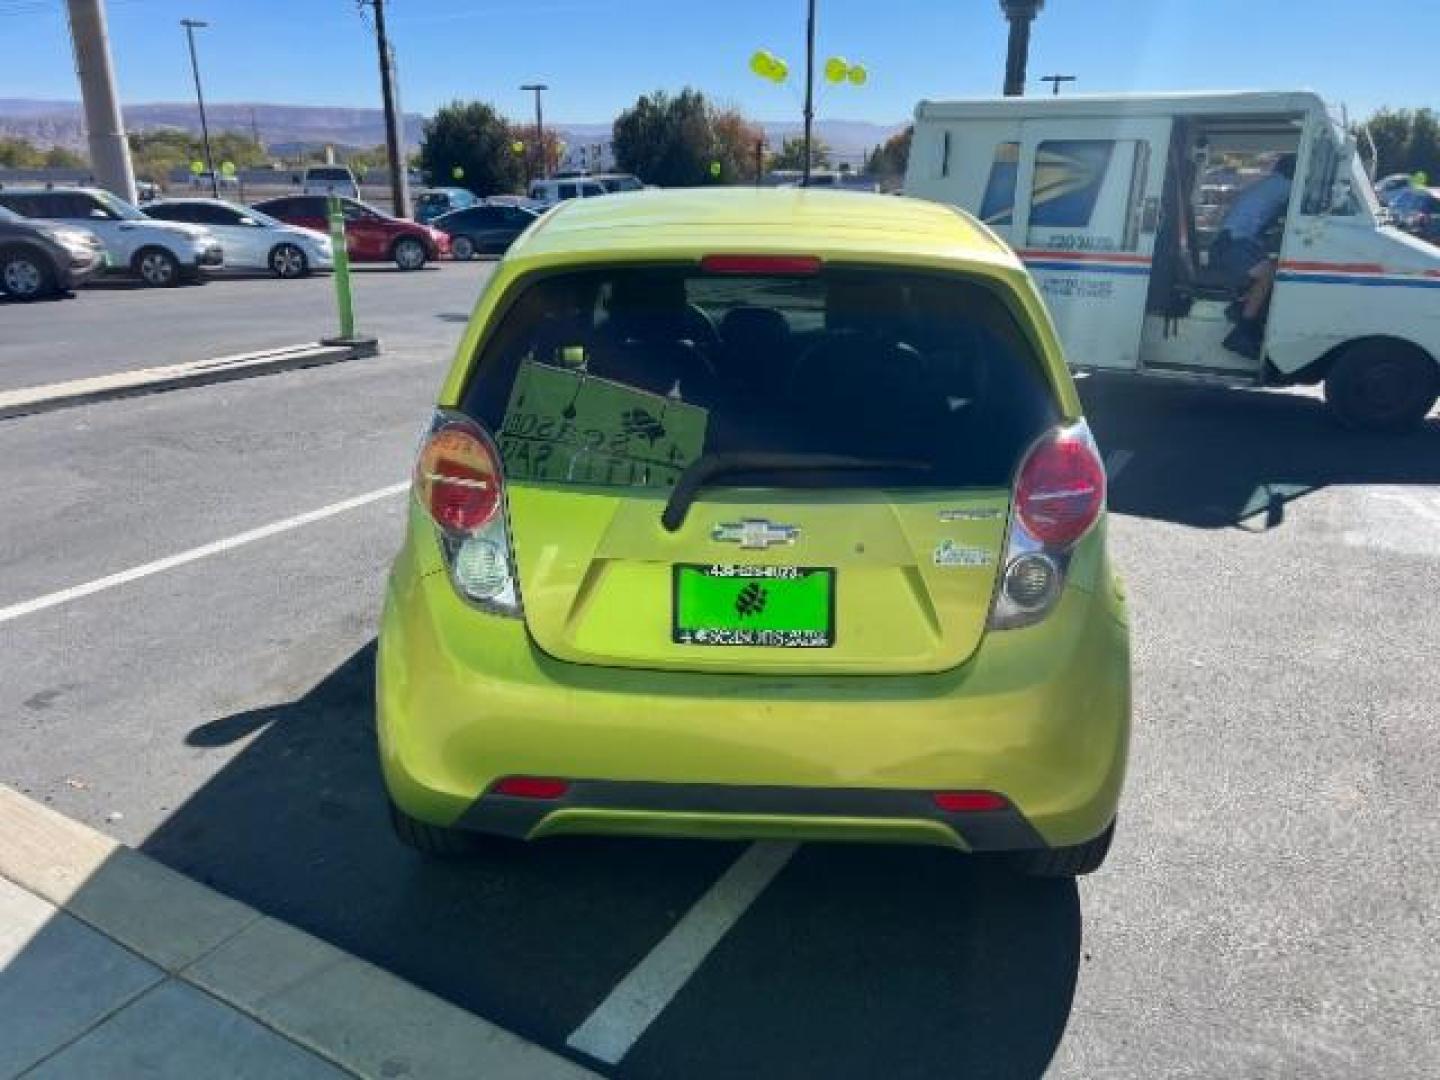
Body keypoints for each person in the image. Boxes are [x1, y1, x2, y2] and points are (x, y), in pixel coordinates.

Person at [1210, 153, 1296, 358]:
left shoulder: (1270, 184)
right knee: (1271, 272)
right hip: (1231, 245)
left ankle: (1242, 305)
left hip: (1231, 242)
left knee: (1273, 264)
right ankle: (1243, 329)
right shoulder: (1287, 186)